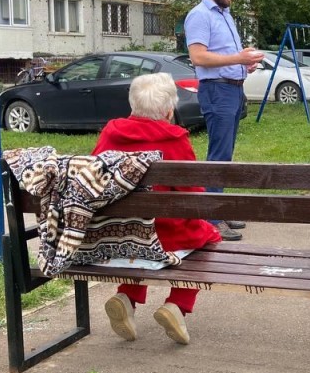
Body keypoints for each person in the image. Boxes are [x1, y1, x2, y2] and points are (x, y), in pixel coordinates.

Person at [93, 72, 222, 345]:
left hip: (120, 233)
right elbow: (193, 196)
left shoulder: (111, 131)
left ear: (133, 105)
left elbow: (95, 179)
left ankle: (126, 298)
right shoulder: (173, 139)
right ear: (168, 110)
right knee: (209, 237)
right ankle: (177, 305)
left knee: (139, 239)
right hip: (166, 235)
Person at [185, 0, 263, 241]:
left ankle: (219, 208)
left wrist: (245, 66)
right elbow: (198, 58)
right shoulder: (199, 15)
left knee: (225, 155)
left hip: (231, 89)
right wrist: (237, 60)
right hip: (216, 91)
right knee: (218, 155)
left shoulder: (225, 14)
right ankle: (211, 219)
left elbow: (227, 56)